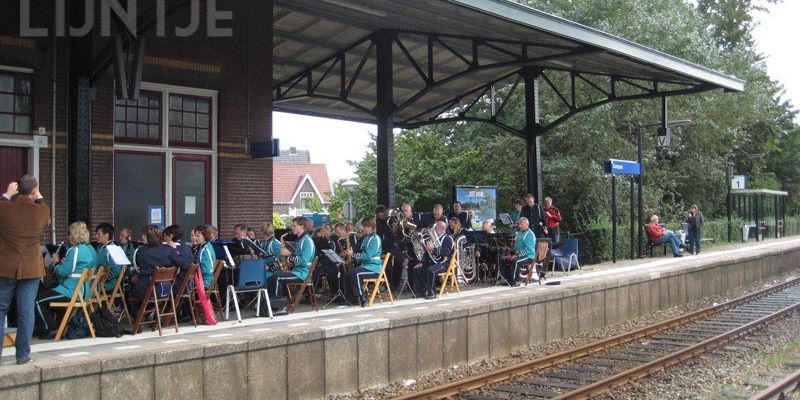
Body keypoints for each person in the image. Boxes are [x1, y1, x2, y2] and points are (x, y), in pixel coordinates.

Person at [0, 178, 50, 363]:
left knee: (1, 308)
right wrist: (40, 197)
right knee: (26, 310)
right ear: (34, 190)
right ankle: (22, 355)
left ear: (17, 189)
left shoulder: (5, 208)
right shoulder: (41, 210)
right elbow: (47, 218)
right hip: (30, 268)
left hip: (6, 266)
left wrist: (6, 195)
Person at [35, 221, 98, 339]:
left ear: (74, 235)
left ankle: (49, 329)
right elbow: (76, 267)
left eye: (70, 233)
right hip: (83, 291)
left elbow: (63, 272)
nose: (68, 236)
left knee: (38, 300)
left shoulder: (74, 250)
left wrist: (55, 263)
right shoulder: (87, 249)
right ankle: (55, 326)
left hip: (71, 290)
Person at [129, 225, 189, 302]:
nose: (141, 237)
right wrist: (175, 250)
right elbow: (184, 264)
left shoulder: (140, 251)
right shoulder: (168, 250)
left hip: (146, 291)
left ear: (148, 237)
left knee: (131, 285)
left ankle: (140, 312)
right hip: (166, 290)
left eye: (143, 235)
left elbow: (137, 269)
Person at [267, 217, 315, 307]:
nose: (292, 227)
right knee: (272, 276)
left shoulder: (307, 241)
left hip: (303, 274)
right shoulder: (301, 240)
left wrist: (289, 255)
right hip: (298, 272)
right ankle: (270, 304)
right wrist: (289, 262)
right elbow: (297, 260)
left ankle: (278, 307)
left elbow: (303, 262)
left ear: (302, 227)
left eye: (294, 226)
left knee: (277, 277)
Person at [343, 217, 383, 306]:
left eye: (365, 226)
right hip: (366, 266)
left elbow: (367, 256)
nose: (363, 228)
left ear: (371, 227)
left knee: (355, 273)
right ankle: (351, 299)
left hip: (374, 268)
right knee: (347, 275)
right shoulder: (366, 238)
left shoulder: (374, 239)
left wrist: (352, 254)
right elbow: (360, 252)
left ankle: (361, 297)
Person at [417, 221, 454, 299]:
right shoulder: (433, 238)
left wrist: (433, 249)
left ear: (440, 229)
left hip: (444, 263)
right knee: (418, 269)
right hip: (434, 262)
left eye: (434, 229)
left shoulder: (448, 238)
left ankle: (432, 293)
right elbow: (427, 253)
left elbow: (446, 252)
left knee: (431, 270)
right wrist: (422, 262)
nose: (433, 230)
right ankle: (422, 291)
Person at [502, 217, 537, 285]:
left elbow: (528, 250)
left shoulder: (529, 234)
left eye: (521, 224)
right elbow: (516, 247)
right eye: (519, 224)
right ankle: (507, 279)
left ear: (527, 224)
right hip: (519, 254)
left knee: (516, 261)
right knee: (504, 259)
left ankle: (515, 281)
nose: (519, 225)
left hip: (529, 256)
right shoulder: (519, 233)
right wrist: (511, 254)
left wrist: (516, 256)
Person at [95, 223, 124, 291]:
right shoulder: (100, 247)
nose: (96, 236)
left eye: (99, 234)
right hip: (98, 280)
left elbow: (117, 270)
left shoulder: (113, 249)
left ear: (106, 235)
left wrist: (102, 278)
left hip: (108, 283)